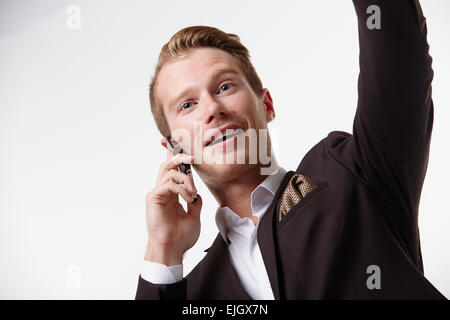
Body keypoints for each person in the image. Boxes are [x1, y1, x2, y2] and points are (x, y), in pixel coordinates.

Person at [135, 0, 446, 299]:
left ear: (266, 105)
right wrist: (162, 251)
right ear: (174, 147)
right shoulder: (193, 291)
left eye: (225, 87)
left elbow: (399, 57)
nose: (212, 109)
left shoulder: (351, 172)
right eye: (188, 105)